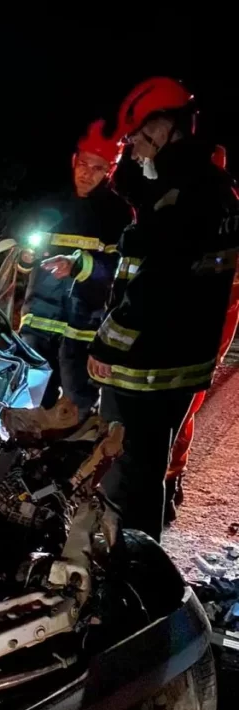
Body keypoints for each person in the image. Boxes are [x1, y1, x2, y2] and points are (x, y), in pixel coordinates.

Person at [88, 77, 239, 542]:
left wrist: (104, 346)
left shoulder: (186, 199)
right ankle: (135, 568)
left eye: (143, 137)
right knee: (145, 475)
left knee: (123, 480)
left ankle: (125, 583)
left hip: (144, 369)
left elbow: (154, 286)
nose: (134, 146)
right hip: (174, 365)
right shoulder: (209, 191)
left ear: (175, 134)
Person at [16, 121, 131, 416]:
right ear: (73, 160)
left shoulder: (117, 213)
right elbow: (24, 258)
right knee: (29, 400)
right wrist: (26, 259)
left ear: (111, 171)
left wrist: (78, 265)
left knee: (76, 409)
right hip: (38, 322)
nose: (86, 173)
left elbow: (117, 270)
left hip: (82, 329)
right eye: (83, 164)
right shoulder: (51, 203)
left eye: (98, 168)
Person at [164, 144, 239, 523]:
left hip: (200, 336)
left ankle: (169, 481)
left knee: (179, 409)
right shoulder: (175, 203)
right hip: (174, 330)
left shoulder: (222, 213)